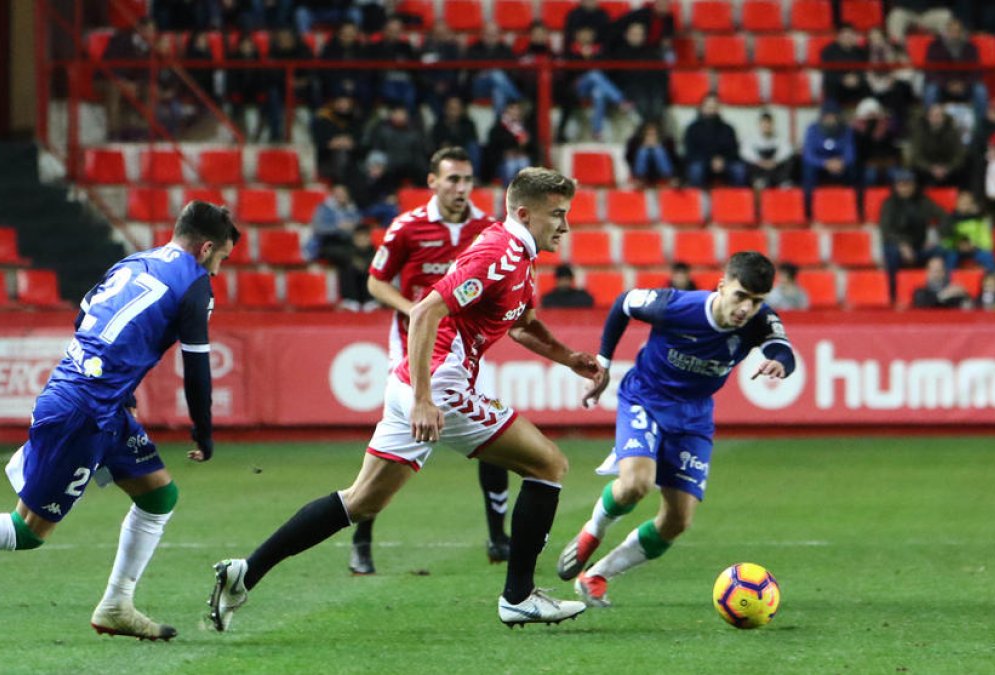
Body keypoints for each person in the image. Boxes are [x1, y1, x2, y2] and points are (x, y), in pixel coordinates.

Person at [209, 168, 604, 631]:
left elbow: (521, 325)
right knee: (548, 465)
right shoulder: (499, 254)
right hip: (438, 387)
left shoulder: (519, 255)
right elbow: (424, 312)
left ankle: (244, 573)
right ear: (524, 213)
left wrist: (570, 358)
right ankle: (518, 597)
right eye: (557, 215)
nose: (565, 226)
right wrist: (423, 400)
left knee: (361, 502)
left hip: (416, 384)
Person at [0, 202, 241, 641]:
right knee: (28, 530)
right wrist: (204, 430)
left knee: (158, 495)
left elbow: (85, 319)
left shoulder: (135, 261)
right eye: (220, 260)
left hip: (91, 397)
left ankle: (117, 604)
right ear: (206, 247)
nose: (216, 271)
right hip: (86, 411)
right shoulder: (195, 285)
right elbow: (197, 366)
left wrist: (126, 392)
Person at [556, 252, 796, 608]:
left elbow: (782, 348)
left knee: (677, 520)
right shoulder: (675, 306)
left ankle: (596, 575)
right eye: (740, 296)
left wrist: (778, 362)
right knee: (636, 484)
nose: (747, 308)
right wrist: (603, 363)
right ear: (722, 286)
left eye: (757, 301)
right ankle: (594, 530)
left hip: (694, 417)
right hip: (646, 398)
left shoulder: (760, 320)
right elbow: (625, 303)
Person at [351, 146, 510, 574]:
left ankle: (499, 537)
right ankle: (361, 539)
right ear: (433, 183)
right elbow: (375, 281)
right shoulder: (408, 227)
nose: (461, 188)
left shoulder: (487, 228)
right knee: (393, 449)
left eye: (467, 180)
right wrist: (411, 310)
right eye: (453, 179)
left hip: (463, 349)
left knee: (493, 431)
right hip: (410, 347)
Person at [880, 169, 947, 303]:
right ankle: (892, 293)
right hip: (898, 248)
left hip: (919, 248)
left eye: (908, 184)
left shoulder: (923, 201)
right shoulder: (889, 204)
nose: (905, 188)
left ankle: (944, 290)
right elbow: (886, 232)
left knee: (943, 251)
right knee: (890, 253)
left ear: (914, 186)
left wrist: (938, 236)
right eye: (901, 185)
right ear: (896, 186)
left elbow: (944, 217)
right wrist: (902, 245)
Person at [563, 26, 630, 142]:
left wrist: (592, 57)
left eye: (588, 33)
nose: (585, 36)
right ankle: (620, 100)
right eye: (582, 33)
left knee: (598, 93)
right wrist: (583, 58)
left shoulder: (600, 51)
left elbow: (607, 71)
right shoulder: (570, 51)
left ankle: (597, 131)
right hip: (577, 88)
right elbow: (568, 73)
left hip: (596, 87)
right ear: (577, 35)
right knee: (594, 74)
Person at [923, 17, 988, 122]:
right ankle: (929, 123)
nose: (954, 34)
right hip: (943, 87)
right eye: (951, 31)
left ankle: (981, 126)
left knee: (980, 90)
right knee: (931, 90)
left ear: (962, 32)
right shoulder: (934, 47)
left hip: (965, 87)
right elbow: (930, 72)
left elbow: (976, 72)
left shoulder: (971, 48)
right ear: (946, 32)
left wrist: (963, 84)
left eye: (957, 31)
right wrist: (947, 84)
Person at [801, 103, 857, 213]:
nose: (830, 120)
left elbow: (850, 153)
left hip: (839, 164)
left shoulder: (846, 130)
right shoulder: (812, 129)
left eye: (833, 116)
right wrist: (824, 163)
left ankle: (850, 208)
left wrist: (842, 162)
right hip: (819, 165)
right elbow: (808, 155)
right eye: (827, 117)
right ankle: (808, 210)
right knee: (808, 170)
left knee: (854, 170)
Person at [683, 94, 746, 188]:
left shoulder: (728, 128)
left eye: (714, 107)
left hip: (725, 162)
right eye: (709, 107)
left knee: (739, 170)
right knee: (696, 170)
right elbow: (690, 152)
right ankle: (698, 201)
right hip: (702, 162)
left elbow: (734, 150)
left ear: (719, 108)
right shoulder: (692, 128)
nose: (711, 110)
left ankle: (737, 200)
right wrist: (710, 161)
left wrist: (722, 160)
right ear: (702, 108)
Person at [466, 24, 523, 117]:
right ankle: (518, 99)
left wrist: (491, 73)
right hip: (479, 87)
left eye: (494, 34)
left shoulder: (505, 49)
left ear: (499, 35)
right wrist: (485, 74)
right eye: (488, 34)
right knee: (496, 74)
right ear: (482, 34)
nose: (490, 37)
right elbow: (470, 71)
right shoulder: (473, 49)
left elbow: (512, 72)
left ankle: (498, 123)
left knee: (498, 91)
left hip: (500, 86)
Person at [938, 191, 995, 273]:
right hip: (956, 250)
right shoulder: (950, 219)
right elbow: (945, 241)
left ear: (972, 205)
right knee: (950, 257)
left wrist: (974, 245)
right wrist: (957, 244)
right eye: (962, 202)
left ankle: (994, 280)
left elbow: (988, 243)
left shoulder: (979, 219)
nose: (964, 205)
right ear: (957, 203)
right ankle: (948, 282)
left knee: (988, 256)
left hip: (975, 249)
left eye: (967, 203)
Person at [911, 103, 966, 188]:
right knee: (914, 169)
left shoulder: (952, 131)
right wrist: (931, 168)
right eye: (933, 115)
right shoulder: (920, 132)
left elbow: (959, 154)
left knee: (964, 165)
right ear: (928, 117)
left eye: (939, 115)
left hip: (949, 169)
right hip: (927, 169)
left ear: (944, 118)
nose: (936, 118)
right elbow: (917, 156)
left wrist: (948, 168)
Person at [852, 98, 902, 188]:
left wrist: (886, 162)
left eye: (874, 114)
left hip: (887, 161)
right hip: (867, 163)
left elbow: (893, 148)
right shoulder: (857, 131)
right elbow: (859, 152)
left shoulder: (888, 127)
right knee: (870, 175)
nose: (872, 117)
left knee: (895, 174)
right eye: (869, 115)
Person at [485, 101, 537, 186]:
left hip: (521, 158)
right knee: (510, 165)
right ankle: (509, 190)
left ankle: (525, 191)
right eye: (512, 108)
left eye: (518, 109)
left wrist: (525, 147)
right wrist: (505, 153)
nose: (516, 112)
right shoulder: (498, 127)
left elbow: (534, 148)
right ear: (506, 111)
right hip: (503, 161)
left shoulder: (525, 128)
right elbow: (493, 148)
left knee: (524, 162)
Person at [307, 183, 363, 262]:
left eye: (343, 193)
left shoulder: (352, 209)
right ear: (333, 195)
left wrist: (353, 226)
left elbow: (359, 225)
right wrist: (338, 227)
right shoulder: (324, 208)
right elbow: (318, 228)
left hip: (347, 243)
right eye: (338, 194)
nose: (341, 196)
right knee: (350, 256)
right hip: (327, 244)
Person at [820, 23, 869, 108]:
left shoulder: (860, 52)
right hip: (837, 86)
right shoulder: (829, 51)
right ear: (838, 36)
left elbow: (864, 70)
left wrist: (857, 78)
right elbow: (828, 72)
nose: (847, 38)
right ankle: (833, 112)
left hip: (856, 84)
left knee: (868, 85)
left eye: (850, 35)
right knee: (830, 83)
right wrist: (842, 79)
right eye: (844, 35)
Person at [741, 111, 793, 189]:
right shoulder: (751, 139)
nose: (766, 126)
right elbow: (745, 152)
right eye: (764, 124)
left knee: (790, 160)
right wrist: (760, 161)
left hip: (775, 166)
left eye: (769, 124)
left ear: (772, 125)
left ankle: (783, 183)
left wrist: (775, 161)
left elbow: (788, 150)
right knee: (747, 164)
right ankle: (759, 182)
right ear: (759, 125)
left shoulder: (779, 138)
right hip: (759, 167)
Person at [626, 120, 679, 187]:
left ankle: (669, 177)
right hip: (643, 171)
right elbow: (629, 157)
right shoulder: (635, 142)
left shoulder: (667, 142)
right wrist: (644, 146)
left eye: (653, 134)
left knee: (659, 151)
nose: (651, 136)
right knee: (643, 151)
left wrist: (657, 145)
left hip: (659, 171)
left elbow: (674, 157)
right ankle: (639, 178)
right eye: (649, 134)